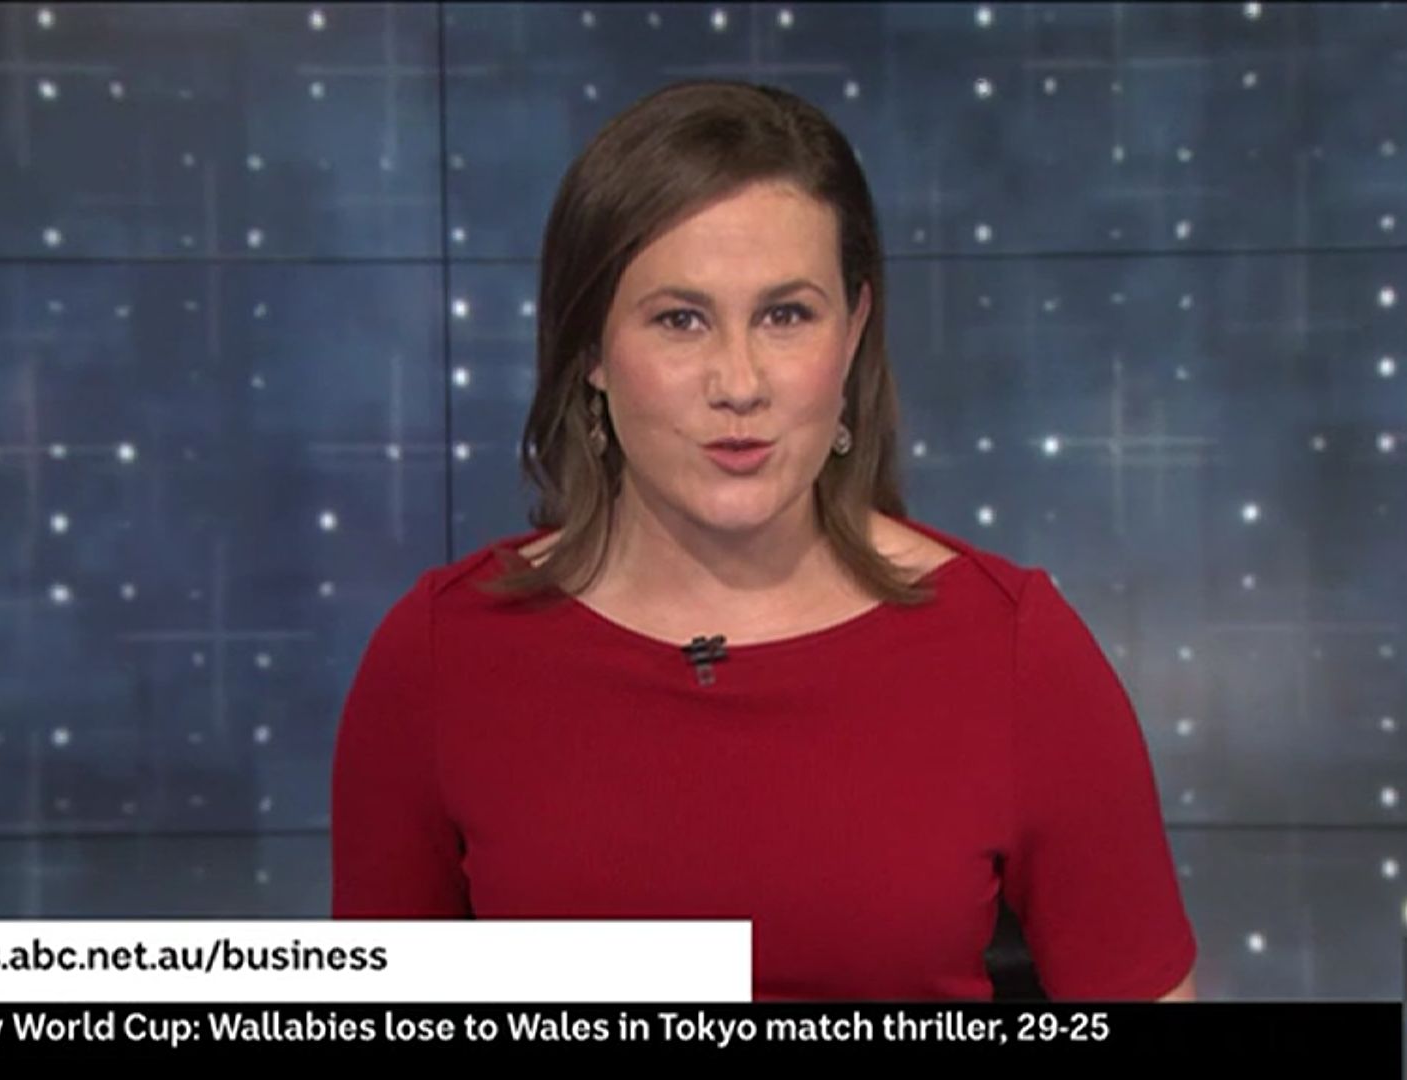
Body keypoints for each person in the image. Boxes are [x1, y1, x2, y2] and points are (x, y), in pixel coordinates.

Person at [331, 80, 1197, 1002]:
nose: (739, 383)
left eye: (786, 315)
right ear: (591, 352)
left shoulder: (1013, 649)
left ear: (853, 333)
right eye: (681, 319)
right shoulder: (442, 657)